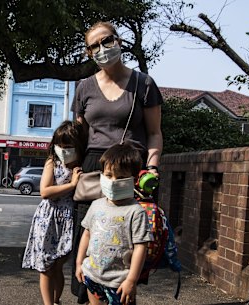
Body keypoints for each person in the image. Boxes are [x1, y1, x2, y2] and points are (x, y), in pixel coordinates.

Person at [70, 21, 163, 303]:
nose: (101, 49)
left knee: (128, 244)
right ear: (88, 53)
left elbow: (155, 133)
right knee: (91, 240)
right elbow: (78, 136)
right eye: (93, 46)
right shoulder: (84, 87)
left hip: (131, 171)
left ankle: (127, 292)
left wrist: (152, 168)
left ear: (118, 41)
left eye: (106, 41)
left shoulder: (143, 83)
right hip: (93, 170)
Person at [75, 142, 152, 305]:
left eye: (122, 177)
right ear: (102, 174)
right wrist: (79, 263)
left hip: (120, 283)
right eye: (109, 175)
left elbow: (141, 247)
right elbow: (86, 234)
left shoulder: (135, 212)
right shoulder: (96, 205)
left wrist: (131, 280)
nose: (113, 181)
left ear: (135, 179)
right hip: (92, 275)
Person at [22, 121, 86, 305]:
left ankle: (56, 300)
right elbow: (45, 192)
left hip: (69, 218)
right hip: (48, 217)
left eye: (68, 146)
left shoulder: (81, 164)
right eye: (59, 145)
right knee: (46, 267)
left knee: (58, 265)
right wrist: (72, 185)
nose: (62, 150)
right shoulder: (53, 161)